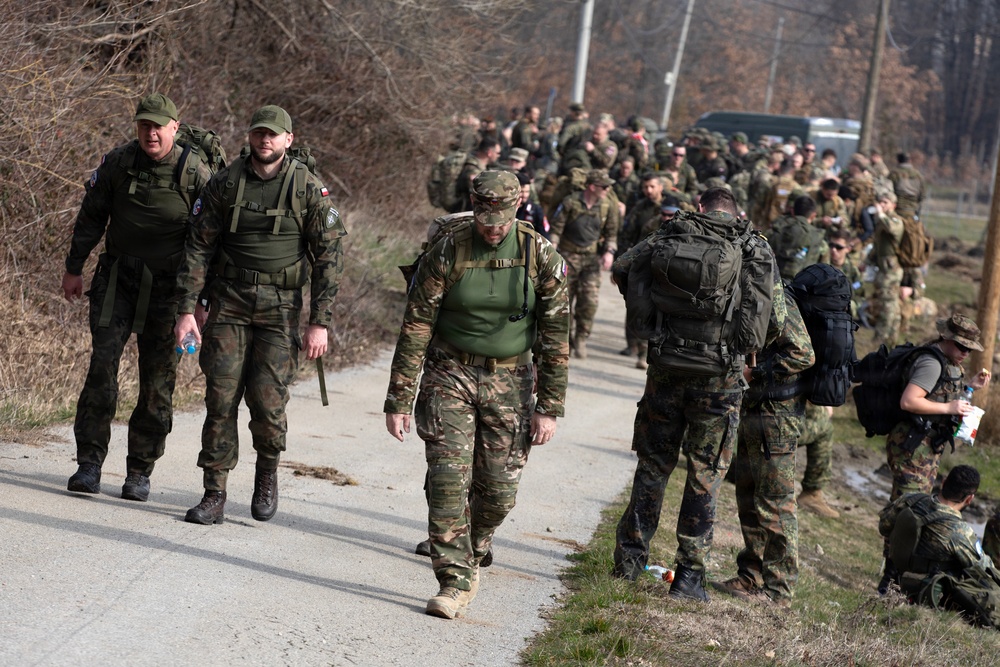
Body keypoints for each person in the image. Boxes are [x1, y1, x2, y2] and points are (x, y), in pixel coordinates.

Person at [383, 170, 569, 620]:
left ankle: (476, 545)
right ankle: (454, 581)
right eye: (485, 220)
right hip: (450, 372)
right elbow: (416, 325)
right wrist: (400, 398)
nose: (493, 230)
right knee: (448, 479)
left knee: (498, 491)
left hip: (512, 379)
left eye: (501, 221)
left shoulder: (540, 255)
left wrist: (549, 406)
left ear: (517, 209)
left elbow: (556, 335)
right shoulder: (449, 249)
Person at [173, 105, 347, 525]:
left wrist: (319, 322)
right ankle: (214, 492)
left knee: (268, 402)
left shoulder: (307, 188)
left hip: (281, 307)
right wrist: (187, 308)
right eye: (258, 133)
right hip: (229, 300)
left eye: (273, 134)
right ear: (250, 136)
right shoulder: (226, 182)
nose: (265, 140)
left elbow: (329, 257)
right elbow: (198, 247)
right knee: (221, 398)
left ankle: (267, 474)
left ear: (288, 139)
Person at [610, 187, 785, 601]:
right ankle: (688, 577)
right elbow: (775, 319)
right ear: (735, 212)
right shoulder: (754, 246)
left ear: (702, 207)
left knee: (653, 466)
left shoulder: (673, 231)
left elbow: (622, 268)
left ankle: (628, 563)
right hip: (720, 380)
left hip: (666, 368)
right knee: (705, 475)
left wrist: (660, 314)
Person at [63, 93, 214, 500]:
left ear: (174, 127)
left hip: (169, 291)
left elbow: (206, 244)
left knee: (157, 382)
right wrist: (74, 267)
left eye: (158, 126)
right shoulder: (118, 162)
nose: (151, 133)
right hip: (118, 282)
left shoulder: (195, 173)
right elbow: (92, 215)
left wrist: (198, 302)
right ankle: (89, 464)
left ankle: (139, 471)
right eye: (144, 125)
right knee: (101, 368)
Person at [718, 294, 814, 608]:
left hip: (778, 416)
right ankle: (751, 575)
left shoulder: (775, 295)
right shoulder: (747, 289)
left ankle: (779, 592)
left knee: (776, 504)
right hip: (754, 409)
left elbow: (803, 354)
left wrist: (754, 372)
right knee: (748, 498)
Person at [878, 466, 999, 618]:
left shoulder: (910, 500)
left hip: (896, 576)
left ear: (944, 482)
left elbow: (884, 527)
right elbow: (984, 569)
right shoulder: (960, 531)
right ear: (969, 499)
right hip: (928, 594)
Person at [549, 169, 619, 359]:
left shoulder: (607, 206)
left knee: (589, 302)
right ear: (592, 187)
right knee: (564, 302)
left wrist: (609, 252)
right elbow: (556, 229)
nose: (607, 190)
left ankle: (581, 337)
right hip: (567, 256)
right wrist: (552, 251)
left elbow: (611, 233)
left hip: (591, 259)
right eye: (604, 187)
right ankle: (566, 340)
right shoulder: (570, 202)